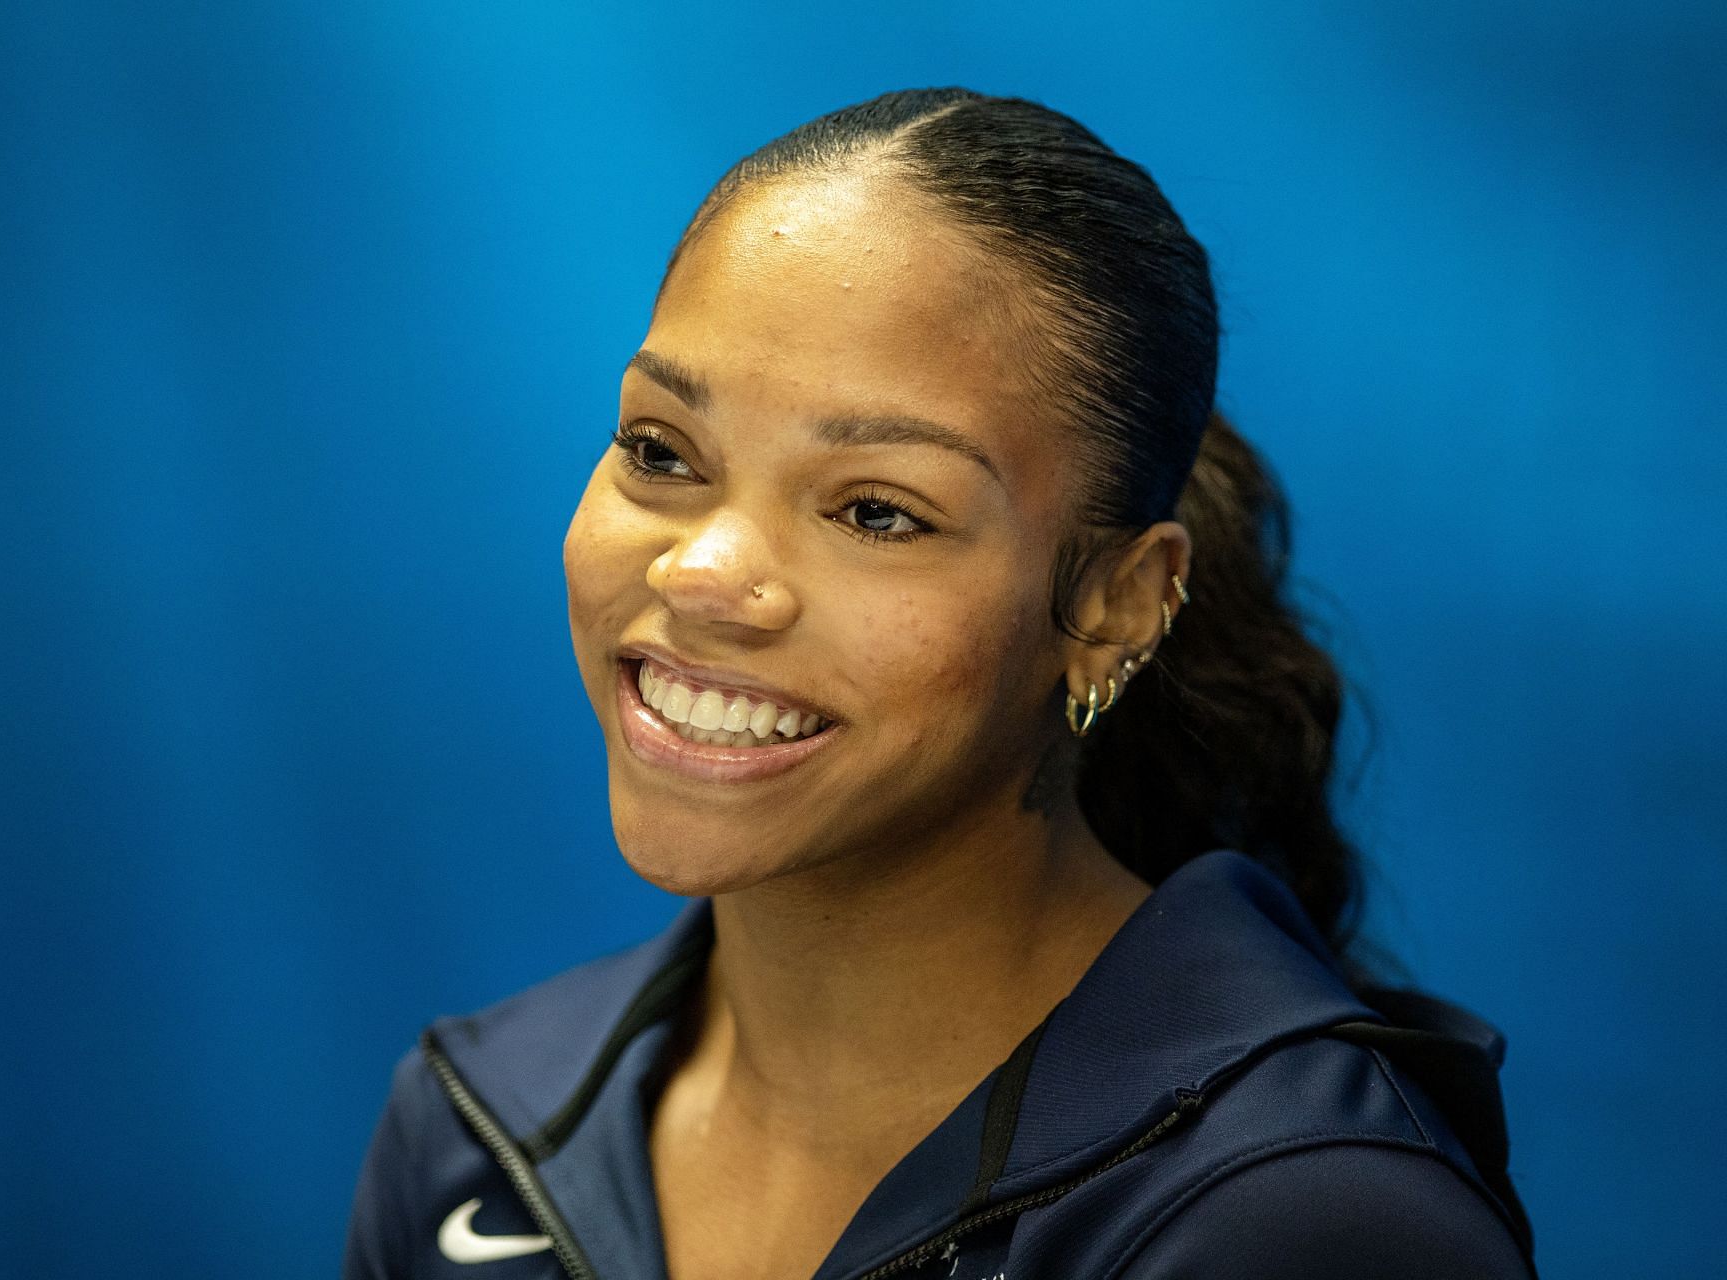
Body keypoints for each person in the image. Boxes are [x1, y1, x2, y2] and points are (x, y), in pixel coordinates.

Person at [343, 88, 1537, 1279]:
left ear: (1117, 605)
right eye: (661, 452)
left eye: (876, 511)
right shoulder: (471, 1129)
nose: (704, 572)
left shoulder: (1303, 1221)